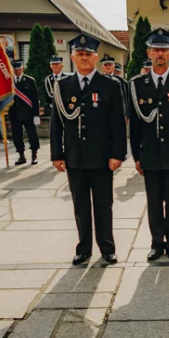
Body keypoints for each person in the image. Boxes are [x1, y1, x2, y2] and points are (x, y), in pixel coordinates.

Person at [50, 33, 127, 265]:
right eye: (80, 54)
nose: (84, 58)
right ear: (72, 57)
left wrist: (118, 154)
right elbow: (56, 123)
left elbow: (117, 123)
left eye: (88, 54)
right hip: (75, 157)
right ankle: (83, 248)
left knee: (104, 205)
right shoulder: (63, 86)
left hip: (102, 157)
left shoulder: (110, 85)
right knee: (80, 206)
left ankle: (107, 248)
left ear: (95, 58)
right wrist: (57, 155)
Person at [128, 29, 169, 262]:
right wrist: (136, 156)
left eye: (164, 50)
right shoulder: (137, 84)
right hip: (149, 154)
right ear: (148, 53)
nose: (160, 54)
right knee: (154, 201)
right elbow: (135, 125)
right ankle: (157, 242)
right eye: (156, 49)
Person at [9, 59, 41, 165]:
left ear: (22, 68)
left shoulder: (30, 80)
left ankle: (34, 155)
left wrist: (36, 115)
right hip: (14, 114)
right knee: (17, 136)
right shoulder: (9, 81)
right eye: (15, 69)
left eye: (19, 69)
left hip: (28, 113)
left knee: (32, 136)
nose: (17, 71)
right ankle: (21, 156)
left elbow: (35, 99)